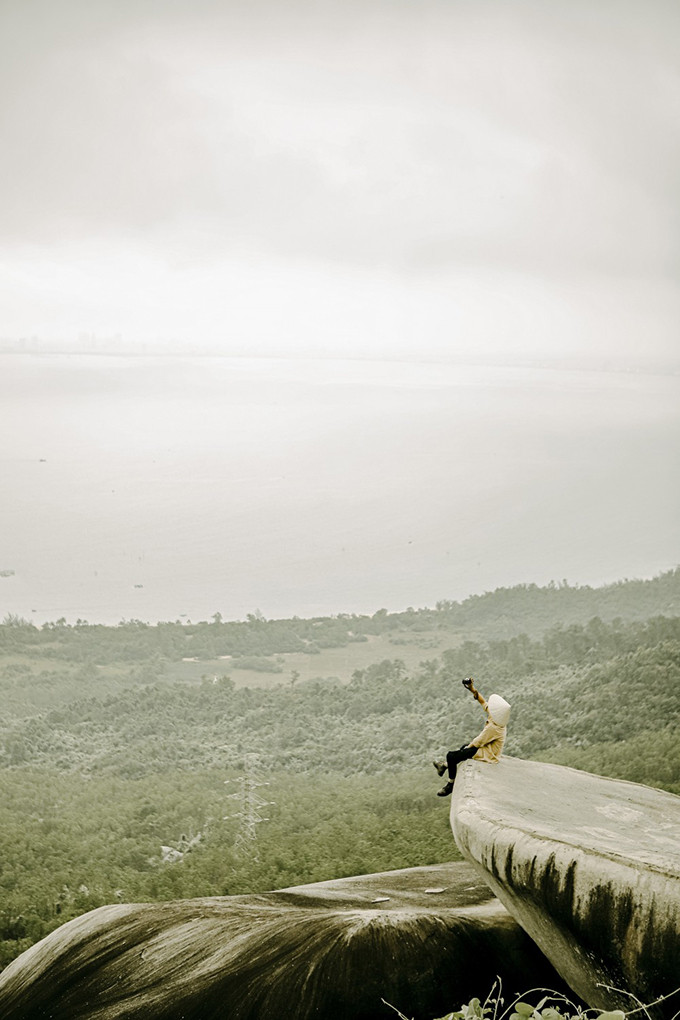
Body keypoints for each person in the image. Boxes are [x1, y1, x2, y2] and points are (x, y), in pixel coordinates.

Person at [433, 677, 511, 797]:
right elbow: (483, 702)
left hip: (488, 754)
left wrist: (465, 750)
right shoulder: (497, 719)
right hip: (485, 748)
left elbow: (478, 741)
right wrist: (472, 689)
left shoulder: (494, 728)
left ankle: (450, 785)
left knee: (451, 755)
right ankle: (444, 766)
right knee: (462, 749)